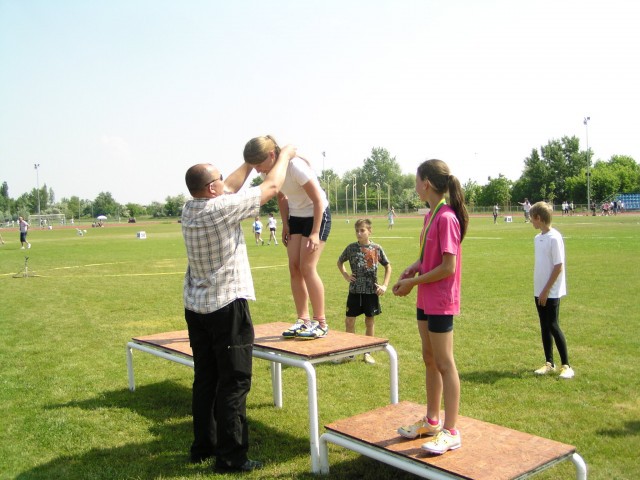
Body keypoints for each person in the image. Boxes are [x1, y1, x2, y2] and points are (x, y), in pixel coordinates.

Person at [181, 143, 296, 473]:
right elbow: (271, 187)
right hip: (226, 307)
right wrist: (285, 154)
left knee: (206, 379)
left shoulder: (190, 208)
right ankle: (231, 457)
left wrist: (247, 162)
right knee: (234, 382)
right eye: (218, 178)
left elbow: (228, 186)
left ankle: (203, 446)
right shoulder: (221, 209)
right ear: (212, 188)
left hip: (197, 308)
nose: (224, 181)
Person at [392, 159, 468, 455]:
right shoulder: (430, 216)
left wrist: (414, 282)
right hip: (425, 297)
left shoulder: (446, 217)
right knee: (429, 358)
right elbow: (430, 259)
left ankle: (451, 431)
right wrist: (414, 269)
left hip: (440, 300)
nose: (414, 185)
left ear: (426, 183)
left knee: (445, 363)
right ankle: (432, 421)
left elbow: (448, 267)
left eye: (416, 180)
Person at [244, 135, 331, 340]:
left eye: (258, 165)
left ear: (272, 155)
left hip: (317, 215)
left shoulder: (295, 167)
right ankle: (303, 320)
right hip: (296, 217)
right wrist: (286, 223)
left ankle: (321, 323)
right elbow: (281, 196)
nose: (257, 170)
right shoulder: (274, 171)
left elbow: (318, 199)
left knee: (307, 267)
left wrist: (315, 233)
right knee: (294, 267)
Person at [529, 201, 575, 380]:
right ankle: (549, 363)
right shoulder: (537, 238)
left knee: (553, 325)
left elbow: (558, 266)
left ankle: (566, 365)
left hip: (550, 291)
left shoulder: (555, 238)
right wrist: (540, 289)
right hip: (539, 289)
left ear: (538, 218)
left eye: (531, 218)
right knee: (544, 325)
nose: (530, 221)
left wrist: (546, 290)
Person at [337, 218, 392, 364]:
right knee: (349, 320)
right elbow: (340, 261)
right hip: (355, 291)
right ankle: (350, 352)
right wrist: (346, 275)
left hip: (370, 291)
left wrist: (384, 285)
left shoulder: (376, 248)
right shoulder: (351, 248)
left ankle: (367, 352)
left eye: (362, 230)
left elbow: (388, 266)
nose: (359, 233)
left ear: (369, 231)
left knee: (369, 321)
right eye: (357, 231)